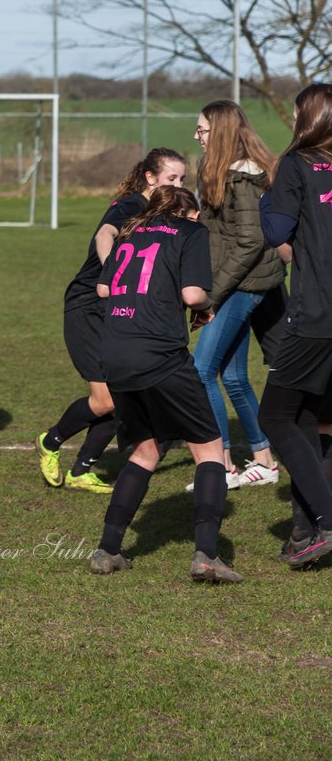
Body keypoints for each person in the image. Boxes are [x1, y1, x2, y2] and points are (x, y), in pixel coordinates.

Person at [89, 185, 241, 583]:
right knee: (209, 450)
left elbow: (104, 288)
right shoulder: (191, 232)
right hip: (158, 355)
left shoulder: (129, 231)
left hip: (115, 353)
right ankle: (207, 555)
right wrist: (206, 308)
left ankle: (108, 549)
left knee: (146, 452)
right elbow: (193, 294)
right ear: (187, 212)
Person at [35, 148, 187, 494]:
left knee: (123, 393)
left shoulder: (162, 215)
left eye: (182, 180)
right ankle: (49, 441)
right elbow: (105, 235)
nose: (178, 185)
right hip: (88, 306)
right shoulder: (133, 204)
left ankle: (81, 471)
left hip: (118, 310)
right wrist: (113, 275)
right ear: (150, 178)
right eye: (171, 179)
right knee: (105, 400)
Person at [180, 100, 284, 493]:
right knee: (235, 376)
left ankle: (220, 465)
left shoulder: (243, 177)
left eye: (202, 129)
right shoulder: (221, 171)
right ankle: (265, 461)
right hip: (235, 282)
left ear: (220, 131)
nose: (197, 135)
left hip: (243, 286)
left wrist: (212, 296)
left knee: (201, 371)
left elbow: (250, 242)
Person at [257, 82, 332, 568]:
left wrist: (269, 198)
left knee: (274, 417)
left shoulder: (297, 164)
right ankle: (304, 533)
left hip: (316, 314)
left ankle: (327, 520)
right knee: (312, 419)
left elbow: (275, 231)